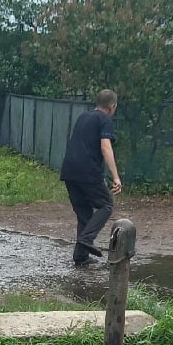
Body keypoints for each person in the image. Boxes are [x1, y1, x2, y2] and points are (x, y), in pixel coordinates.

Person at [59, 89, 122, 267]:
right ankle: (87, 239)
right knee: (106, 205)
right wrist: (115, 177)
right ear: (112, 106)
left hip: (69, 172)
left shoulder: (83, 117)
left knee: (85, 214)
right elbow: (105, 147)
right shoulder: (105, 120)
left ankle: (81, 257)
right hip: (88, 171)